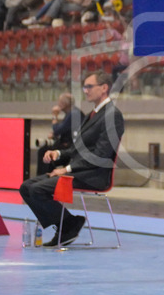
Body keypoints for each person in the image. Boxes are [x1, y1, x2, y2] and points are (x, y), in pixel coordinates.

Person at [19, 71, 124, 248]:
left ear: (104, 88)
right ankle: (67, 224)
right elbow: (77, 149)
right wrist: (58, 154)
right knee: (26, 187)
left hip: (94, 175)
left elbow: (100, 155)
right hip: (79, 170)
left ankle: (67, 226)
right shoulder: (93, 114)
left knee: (38, 190)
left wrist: (67, 169)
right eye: (84, 87)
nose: (85, 90)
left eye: (89, 86)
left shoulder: (112, 115)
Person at [37, 93, 74, 176]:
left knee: (44, 151)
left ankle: (44, 177)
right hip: (67, 144)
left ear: (64, 104)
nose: (58, 105)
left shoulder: (72, 114)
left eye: (59, 102)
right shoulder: (70, 114)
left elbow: (57, 130)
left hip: (69, 147)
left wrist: (54, 115)